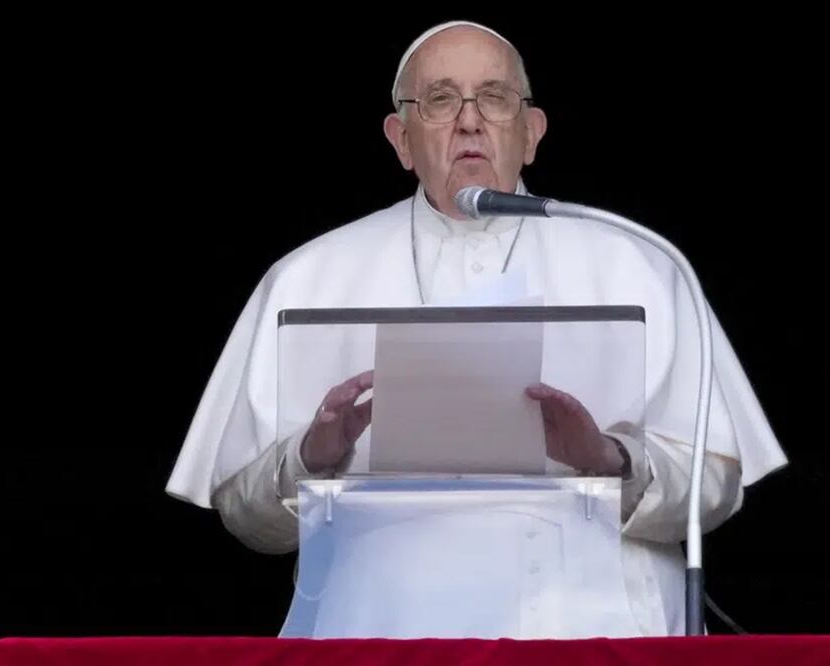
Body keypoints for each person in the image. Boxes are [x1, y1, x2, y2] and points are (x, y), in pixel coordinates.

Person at [165, 20, 787, 637]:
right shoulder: (307, 276)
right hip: (381, 632)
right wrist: (310, 457)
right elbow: (246, 518)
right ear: (400, 139)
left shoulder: (640, 263)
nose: (469, 121)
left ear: (532, 132)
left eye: (494, 97)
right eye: (439, 99)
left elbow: (717, 484)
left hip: (596, 630)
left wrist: (608, 460)